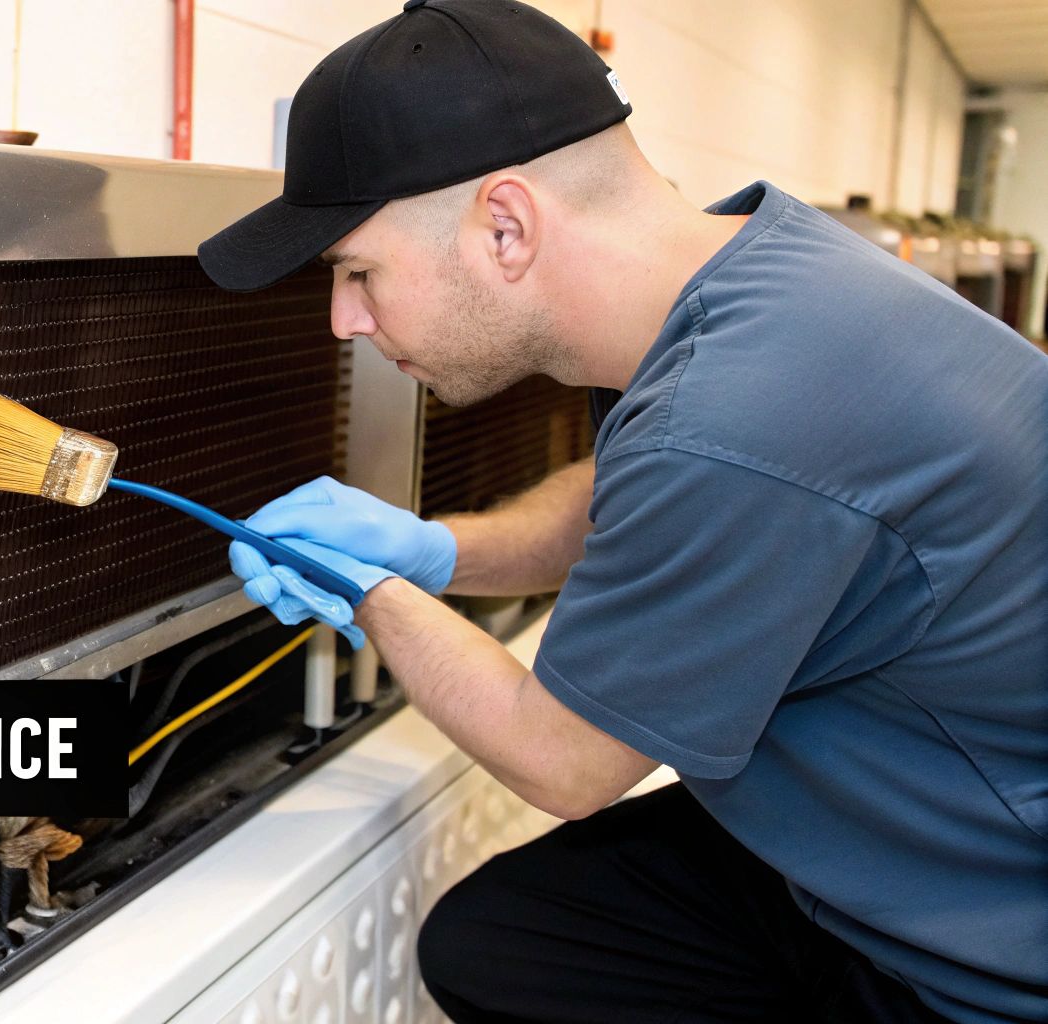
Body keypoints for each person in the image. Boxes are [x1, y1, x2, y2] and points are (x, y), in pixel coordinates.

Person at [196, 3, 1048, 1022]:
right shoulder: (763, 274)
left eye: (355, 271)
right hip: (899, 832)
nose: (343, 321)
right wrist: (433, 550)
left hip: (982, 947)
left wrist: (368, 594)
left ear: (504, 226)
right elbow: (621, 501)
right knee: (503, 942)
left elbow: (563, 761)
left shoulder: (739, 413)